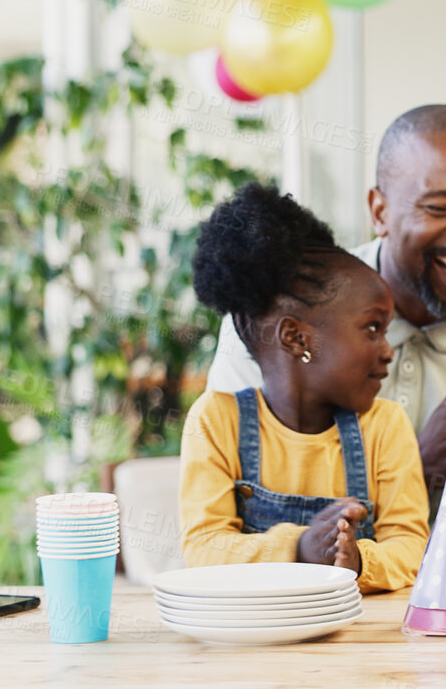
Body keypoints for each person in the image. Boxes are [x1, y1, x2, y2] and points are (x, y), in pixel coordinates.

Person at [205, 106, 446, 574]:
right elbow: (223, 537)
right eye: (440, 208)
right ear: (379, 211)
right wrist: (414, 470)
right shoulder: (277, 320)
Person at [178, 183, 428, 593]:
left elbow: (411, 546)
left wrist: (360, 558)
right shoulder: (216, 421)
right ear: (297, 339)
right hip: (252, 642)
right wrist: (299, 548)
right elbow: (204, 548)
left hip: (361, 643)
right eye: (372, 328)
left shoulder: (385, 427)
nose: (388, 351)